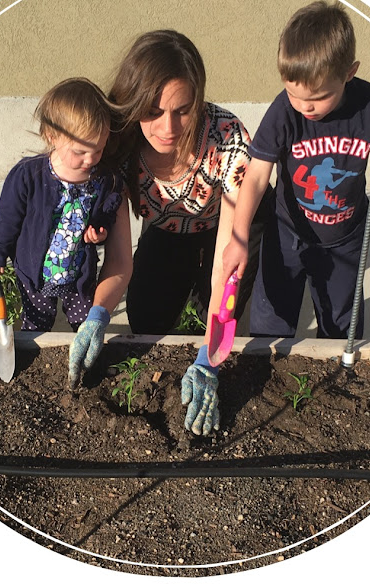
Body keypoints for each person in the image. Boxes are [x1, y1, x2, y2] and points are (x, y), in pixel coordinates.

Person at [108, 29, 269, 436]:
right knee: (146, 318)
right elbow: (119, 254)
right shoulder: (119, 144)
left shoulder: (226, 138)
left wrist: (209, 359)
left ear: (198, 100)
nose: (168, 127)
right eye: (153, 111)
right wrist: (97, 314)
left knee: (218, 311)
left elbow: (225, 264)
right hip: (167, 227)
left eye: (182, 111)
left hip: (225, 225)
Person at [223, 0, 370, 340]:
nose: (304, 106)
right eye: (294, 93)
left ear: (349, 73)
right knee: (271, 317)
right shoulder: (284, 111)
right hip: (287, 233)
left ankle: (335, 358)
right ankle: (266, 360)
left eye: (320, 97)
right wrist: (239, 237)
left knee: (340, 323)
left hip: (345, 238)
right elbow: (257, 177)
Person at [0, 77, 133, 388]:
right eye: (81, 151)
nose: (90, 159)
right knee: (36, 323)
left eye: (99, 149)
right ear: (52, 136)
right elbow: (8, 220)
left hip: (78, 274)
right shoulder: (28, 176)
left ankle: (89, 364)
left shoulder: (102, 180)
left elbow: (108, 208)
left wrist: (100, 231)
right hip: (35, 275)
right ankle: (27, 368)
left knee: (84, 322)